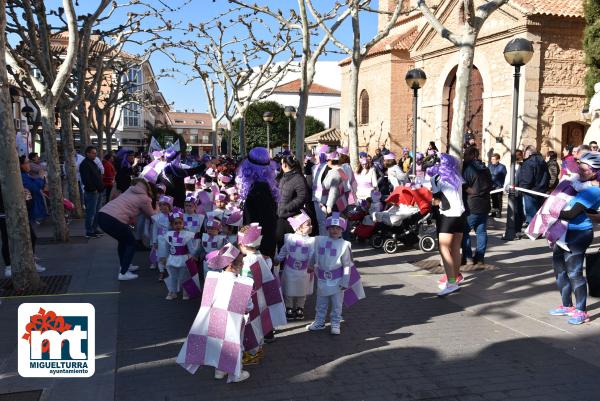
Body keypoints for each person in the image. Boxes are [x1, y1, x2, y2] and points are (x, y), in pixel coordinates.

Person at [176, 243, 253, 383]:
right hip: (233, 322)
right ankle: (236, 373)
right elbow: (248, 306)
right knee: (234, 346)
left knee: (218, 344)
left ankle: (219, 371)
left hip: (214, 319)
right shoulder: (243, 283)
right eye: (241, 262)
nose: (242, 265)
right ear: (231, 265)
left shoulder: (212, 277)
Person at [549, 151, 600, 325]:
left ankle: (581, 311)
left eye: (585, 170)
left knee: (574, 273)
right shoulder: (578, 184)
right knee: (559, 270)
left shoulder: (594, 191)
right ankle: (567, 306)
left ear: (595, 172)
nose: (581, 171)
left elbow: (571, 213)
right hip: (563, 232)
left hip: (578, 234)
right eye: (580, 168)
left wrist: (550, 211)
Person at [98, 178, 157, 280]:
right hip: (114, 219)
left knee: (123, 241)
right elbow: (152, 215)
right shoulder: (144, 198)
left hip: (102, 215)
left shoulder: (130, 190)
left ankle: (125, 265)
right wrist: (158, 209)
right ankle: (123, 273)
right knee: (131, 243)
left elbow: (128, 206)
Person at [238, 223, 287, 346]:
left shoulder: (245, 263)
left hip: (252, 296)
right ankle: (269, 335)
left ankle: (253, 345)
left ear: (242, 244)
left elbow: (245, 281)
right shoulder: (266, 258)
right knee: (266, 314)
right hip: (264, 294)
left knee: (253, 320)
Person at [307, 212, 352, 335]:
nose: (334, 230)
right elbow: (314, 254)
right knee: (321, 303)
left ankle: (336, 323)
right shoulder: (320, 241)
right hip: (322, 278)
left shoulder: (344, 245)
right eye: (332, 227)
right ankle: (319, 322)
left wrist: (345, 280)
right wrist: (311, 265)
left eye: (338, 228)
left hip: (338, 280)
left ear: (342, 229)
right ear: (327, 228)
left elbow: (347, 265)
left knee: (337, 304)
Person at [428, 154, 466, 296]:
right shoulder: (458, 177)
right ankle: (455, 278)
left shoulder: (436, 178)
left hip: (448, 216)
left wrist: (432, 204)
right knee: (456, 248)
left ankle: (451, 282)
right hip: (461, 215)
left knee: (444, 248)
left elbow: (436, 201)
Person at [237, 147, 278, 259]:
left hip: (257, 247)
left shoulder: (257, 189)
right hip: (263, 244)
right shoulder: (265, 186)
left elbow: (251, 222)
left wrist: (242, 239)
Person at [274, 210, 315, 321]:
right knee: (289, 288)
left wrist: (312, 264)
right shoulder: (290, 238)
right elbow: (284, 250)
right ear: (298, 227)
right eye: (308, 225)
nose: (311, 226)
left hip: (304, 270)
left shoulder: (311, 241)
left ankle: (300, 307)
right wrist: (278, 259)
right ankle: (289, 307)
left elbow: (312, 254)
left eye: (310, 224)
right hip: (290, 269)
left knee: (302, 290)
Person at [0, 182, 45, 278]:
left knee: (31, 237)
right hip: (4, 216)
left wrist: (27, 196)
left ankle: (31, 263)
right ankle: (8, 266)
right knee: (6, 240)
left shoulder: (19, 184)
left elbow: (29, 204)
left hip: (20, 214)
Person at [462, 147, 492, 265]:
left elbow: (464, 185)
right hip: (484, 204)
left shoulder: (469, 169)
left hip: (472, 205)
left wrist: (471, 191)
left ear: (471, 155)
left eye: (465, 154)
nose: (464, 157)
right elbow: (490, 185)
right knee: (481, 232)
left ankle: (468, 257)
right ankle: (480, 257)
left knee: (465, 232)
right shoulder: (486, 168)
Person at [158, 209, 197, 300]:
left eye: (180, 223)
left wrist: (193, 255)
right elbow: (166, 247)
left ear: (183, 223)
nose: (178, 225)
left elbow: (191, 247)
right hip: (172, 259)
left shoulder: (187, 235)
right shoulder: (169, 234)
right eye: (175, 223)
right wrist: (164, 257)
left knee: (184, 277)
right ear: (172, 225)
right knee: (173, 277)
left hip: (183, 258)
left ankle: (186, 291)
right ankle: (173, 292)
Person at [276, 154, 309, 250]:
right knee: (280, 246)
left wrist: (287, 207)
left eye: (281, 163)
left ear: (285, 165)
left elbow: (302, 197)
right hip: (279, 217)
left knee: (291, 248)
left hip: (292, 218)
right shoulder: (282, 177)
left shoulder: (298, 178)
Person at [519, 145, 550, 225]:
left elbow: (527, 179)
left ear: (528, 153)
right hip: (541, 190)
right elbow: (547, 176)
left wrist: (522, 188)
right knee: (538, 213)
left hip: (530, 191)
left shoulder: (528, 162)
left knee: (531, 214)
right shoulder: (543, 161)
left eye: (524, 152)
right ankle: (537, 230)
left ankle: (532, 231)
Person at [79, 146, 104, 238]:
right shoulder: (85, 164)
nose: (95, 154)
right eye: (93, 153)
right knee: (91, 212)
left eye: (95, 153)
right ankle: (89, 231)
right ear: (87, 153)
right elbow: (86, 179)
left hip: (98, 190)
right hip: (92, 192)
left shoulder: (92, 163)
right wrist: (94, 189)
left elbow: (97, 175)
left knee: (97, 211)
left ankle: (94, 228)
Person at [151, 195, 173, 281]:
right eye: (160, 205)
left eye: (165, 205)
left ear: (169, 206)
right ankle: (161, 271)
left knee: (170, 255)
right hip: (161, 239)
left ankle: (170, 270)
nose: (162, 207)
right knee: (161, 255)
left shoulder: (172, 216)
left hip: (171, 238)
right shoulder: (157, 217)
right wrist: (154, 241)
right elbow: (155, 230)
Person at [19, 156, 47, 224]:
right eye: (27, 162)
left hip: (36, 209)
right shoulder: (22, 176)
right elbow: (33, 188)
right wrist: (40, 178)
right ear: (21, 165)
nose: (29, 165)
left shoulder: (26, 175)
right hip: (33, 211)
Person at [488, 153, 507, 218]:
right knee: (493, 199)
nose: (492, 160)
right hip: (491, 185)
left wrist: (493, 178)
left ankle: (499, 212)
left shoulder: (502, 167)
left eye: (493, 159)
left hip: (498, 186)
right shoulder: (490, 166)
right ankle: (493, 212)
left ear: (498, 160)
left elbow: (500, 176)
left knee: (498, 199)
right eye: (491, 159)